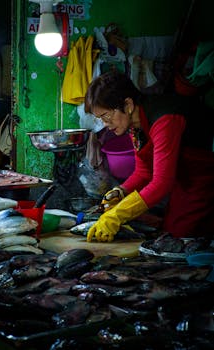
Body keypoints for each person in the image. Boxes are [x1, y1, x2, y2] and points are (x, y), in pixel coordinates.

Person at [84, 70, 214, 242]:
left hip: (206, 180)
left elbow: (161, 183)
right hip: (184, 181)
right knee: (169, 231)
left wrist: (117, 214)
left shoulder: (165, 120)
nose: (105, 125)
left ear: (128, 105)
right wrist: (120, 192)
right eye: (100, 119)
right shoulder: (135, 125)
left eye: (106, 116)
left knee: (183, 236)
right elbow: (143, 172)